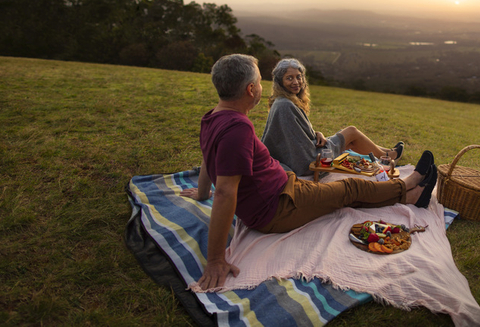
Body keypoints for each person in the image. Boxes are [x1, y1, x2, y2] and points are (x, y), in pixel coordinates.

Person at [181, 54, 437, 291]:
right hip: (278, 208)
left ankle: (408, 198)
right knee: (351, 188)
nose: (261, 86)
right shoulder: (238, 128)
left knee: (339, 196)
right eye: (259, 82)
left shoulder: (213, 117)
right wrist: (215, 259)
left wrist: (203, 192)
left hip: (285, 186)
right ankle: (409, 184)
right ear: (250, 89)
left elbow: (208, 158)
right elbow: (225, 191)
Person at [261, 58, 404, 176]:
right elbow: (298, 149)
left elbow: (295, 134)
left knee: (349, 140)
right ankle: (389, 157)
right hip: (308, 161)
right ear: (280, 82)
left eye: (299, 77)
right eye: (289, 78)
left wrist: (317, 134)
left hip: (307, 152)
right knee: (351, 132)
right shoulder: (284, 105)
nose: (295, 82)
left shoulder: (285, 101)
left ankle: (386, 152)